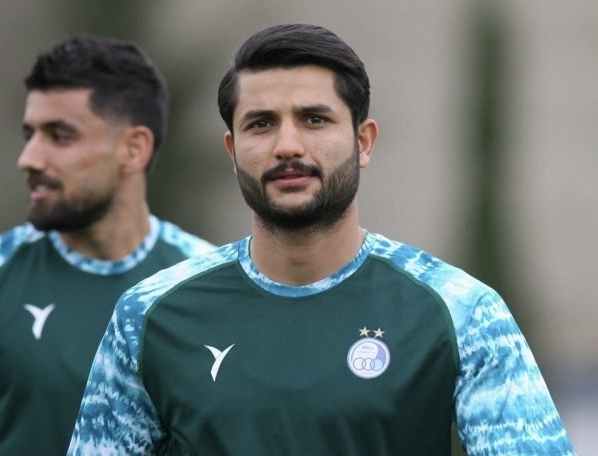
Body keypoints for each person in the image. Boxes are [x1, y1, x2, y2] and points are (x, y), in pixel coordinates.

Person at [66, 24, 576, 456]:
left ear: (363, 142)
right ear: (233, 150)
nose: (288, 145)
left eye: (314, 119)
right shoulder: (148, 315)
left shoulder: (461, 311)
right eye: (261, 124)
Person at [0, 35, 214, 456]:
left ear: (133, 149)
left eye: (59, 136)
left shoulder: (209, 287)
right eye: (30, 134)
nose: (28, 158)